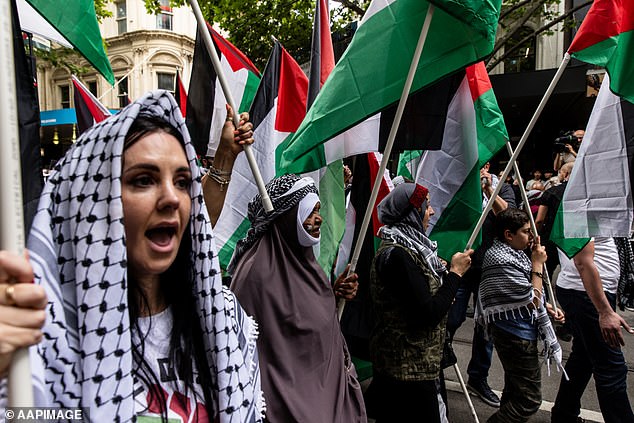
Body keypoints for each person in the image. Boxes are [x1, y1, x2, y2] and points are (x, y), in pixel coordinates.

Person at [0, 91, 264, 422]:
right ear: (92, 205)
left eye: (183, 182)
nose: (172, 198)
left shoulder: (223, 319)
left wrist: (225, 157)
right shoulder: (42, 338)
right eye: (143, 180)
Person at [228, 174, 366, 423]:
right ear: (287, 217)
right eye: (310, 212)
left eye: (318, 210)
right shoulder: (257, 275)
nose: (318, 219)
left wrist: (332, 295)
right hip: (288, 408)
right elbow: (260, 350)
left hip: (325, 397)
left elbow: (304, 320)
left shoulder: (305, 262)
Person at [365, 182, 473, 423]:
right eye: (427, 206)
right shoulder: (398, 255)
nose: (431, 212)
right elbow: (429, 312)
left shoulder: (408, 249)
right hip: (407, 370)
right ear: (412, 214)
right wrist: (455, 274)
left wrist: (443, 284)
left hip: (412, 364)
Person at [477, 208, 565, 423]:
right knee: (529, 400)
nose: (532, 238)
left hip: (519, 329)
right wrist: (538, 264)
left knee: (514, 391)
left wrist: (546, 307)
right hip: (514, 334)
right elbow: (529, 300)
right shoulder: (499, 258)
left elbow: (531, 296)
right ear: (509, 235)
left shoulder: (513, 253)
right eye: (526, 232)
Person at [446, 161, 515, 408]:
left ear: (486, 166)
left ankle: (478, 378)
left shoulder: (503, 189)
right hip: (463, 266)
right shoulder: (461, 186)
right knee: (451, 319)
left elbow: (509, 218)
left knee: (486, 329)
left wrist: (488, 191)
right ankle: (437, 365)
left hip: (489, 270)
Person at [551, 238, 634, 423]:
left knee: (583, 359)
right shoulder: (580, 208)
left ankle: (564, 414)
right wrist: (604, 311)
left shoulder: (595, 210)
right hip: (587, 294)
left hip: (590, 292)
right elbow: (582, 262)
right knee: (611, 367)